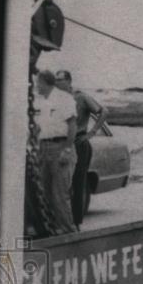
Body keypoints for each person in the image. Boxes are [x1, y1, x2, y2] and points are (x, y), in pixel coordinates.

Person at [54, 69, 107, 226]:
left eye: (60, 80)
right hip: (61, 143)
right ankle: (61, 222)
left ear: (69, 81)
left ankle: (76, 223)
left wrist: (91, 133)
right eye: (55, 80)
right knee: (60, 184)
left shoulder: (80, 97)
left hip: (79, 143)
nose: (57, 83)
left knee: (78, 184)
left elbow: (104, 112)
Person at [33, 70, 78, 234]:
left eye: (38, 83)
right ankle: (52, 230)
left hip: (60, 147)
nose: (37, 86)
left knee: (60, 194)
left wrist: (66, 149)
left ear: (45, 82)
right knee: (45, 192)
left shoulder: (64, 98)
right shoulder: (42, 101)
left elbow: (72, 125)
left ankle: (68, 231)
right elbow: (40, 127)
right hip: (44, 148)